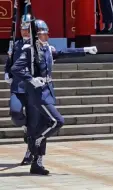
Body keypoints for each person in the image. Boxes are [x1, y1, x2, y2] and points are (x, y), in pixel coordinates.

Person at [11, 19, 98, 175]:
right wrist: (31, 79)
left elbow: (64, 52)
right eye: (43, 34)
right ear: (36, 35)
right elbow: (15, 68)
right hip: (39, 95)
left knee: (44, 124)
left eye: (46, 33)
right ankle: (35, 139)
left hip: (48, 92)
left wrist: (85, 49)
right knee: (57, 121)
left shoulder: (47, 50)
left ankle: (37, 163)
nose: (46, 37)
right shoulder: (29, 50)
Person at [4, 14, 34, 165]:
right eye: (22, 28)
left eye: (27, 28)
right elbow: (10, 61)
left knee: (35, 124)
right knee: (15, 112)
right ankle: (25, 126)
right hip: (17, 87)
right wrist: (6, 72)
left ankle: (30, 153)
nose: (24, 31)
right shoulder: (16, 44)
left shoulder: (37, 45)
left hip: (32, 88)